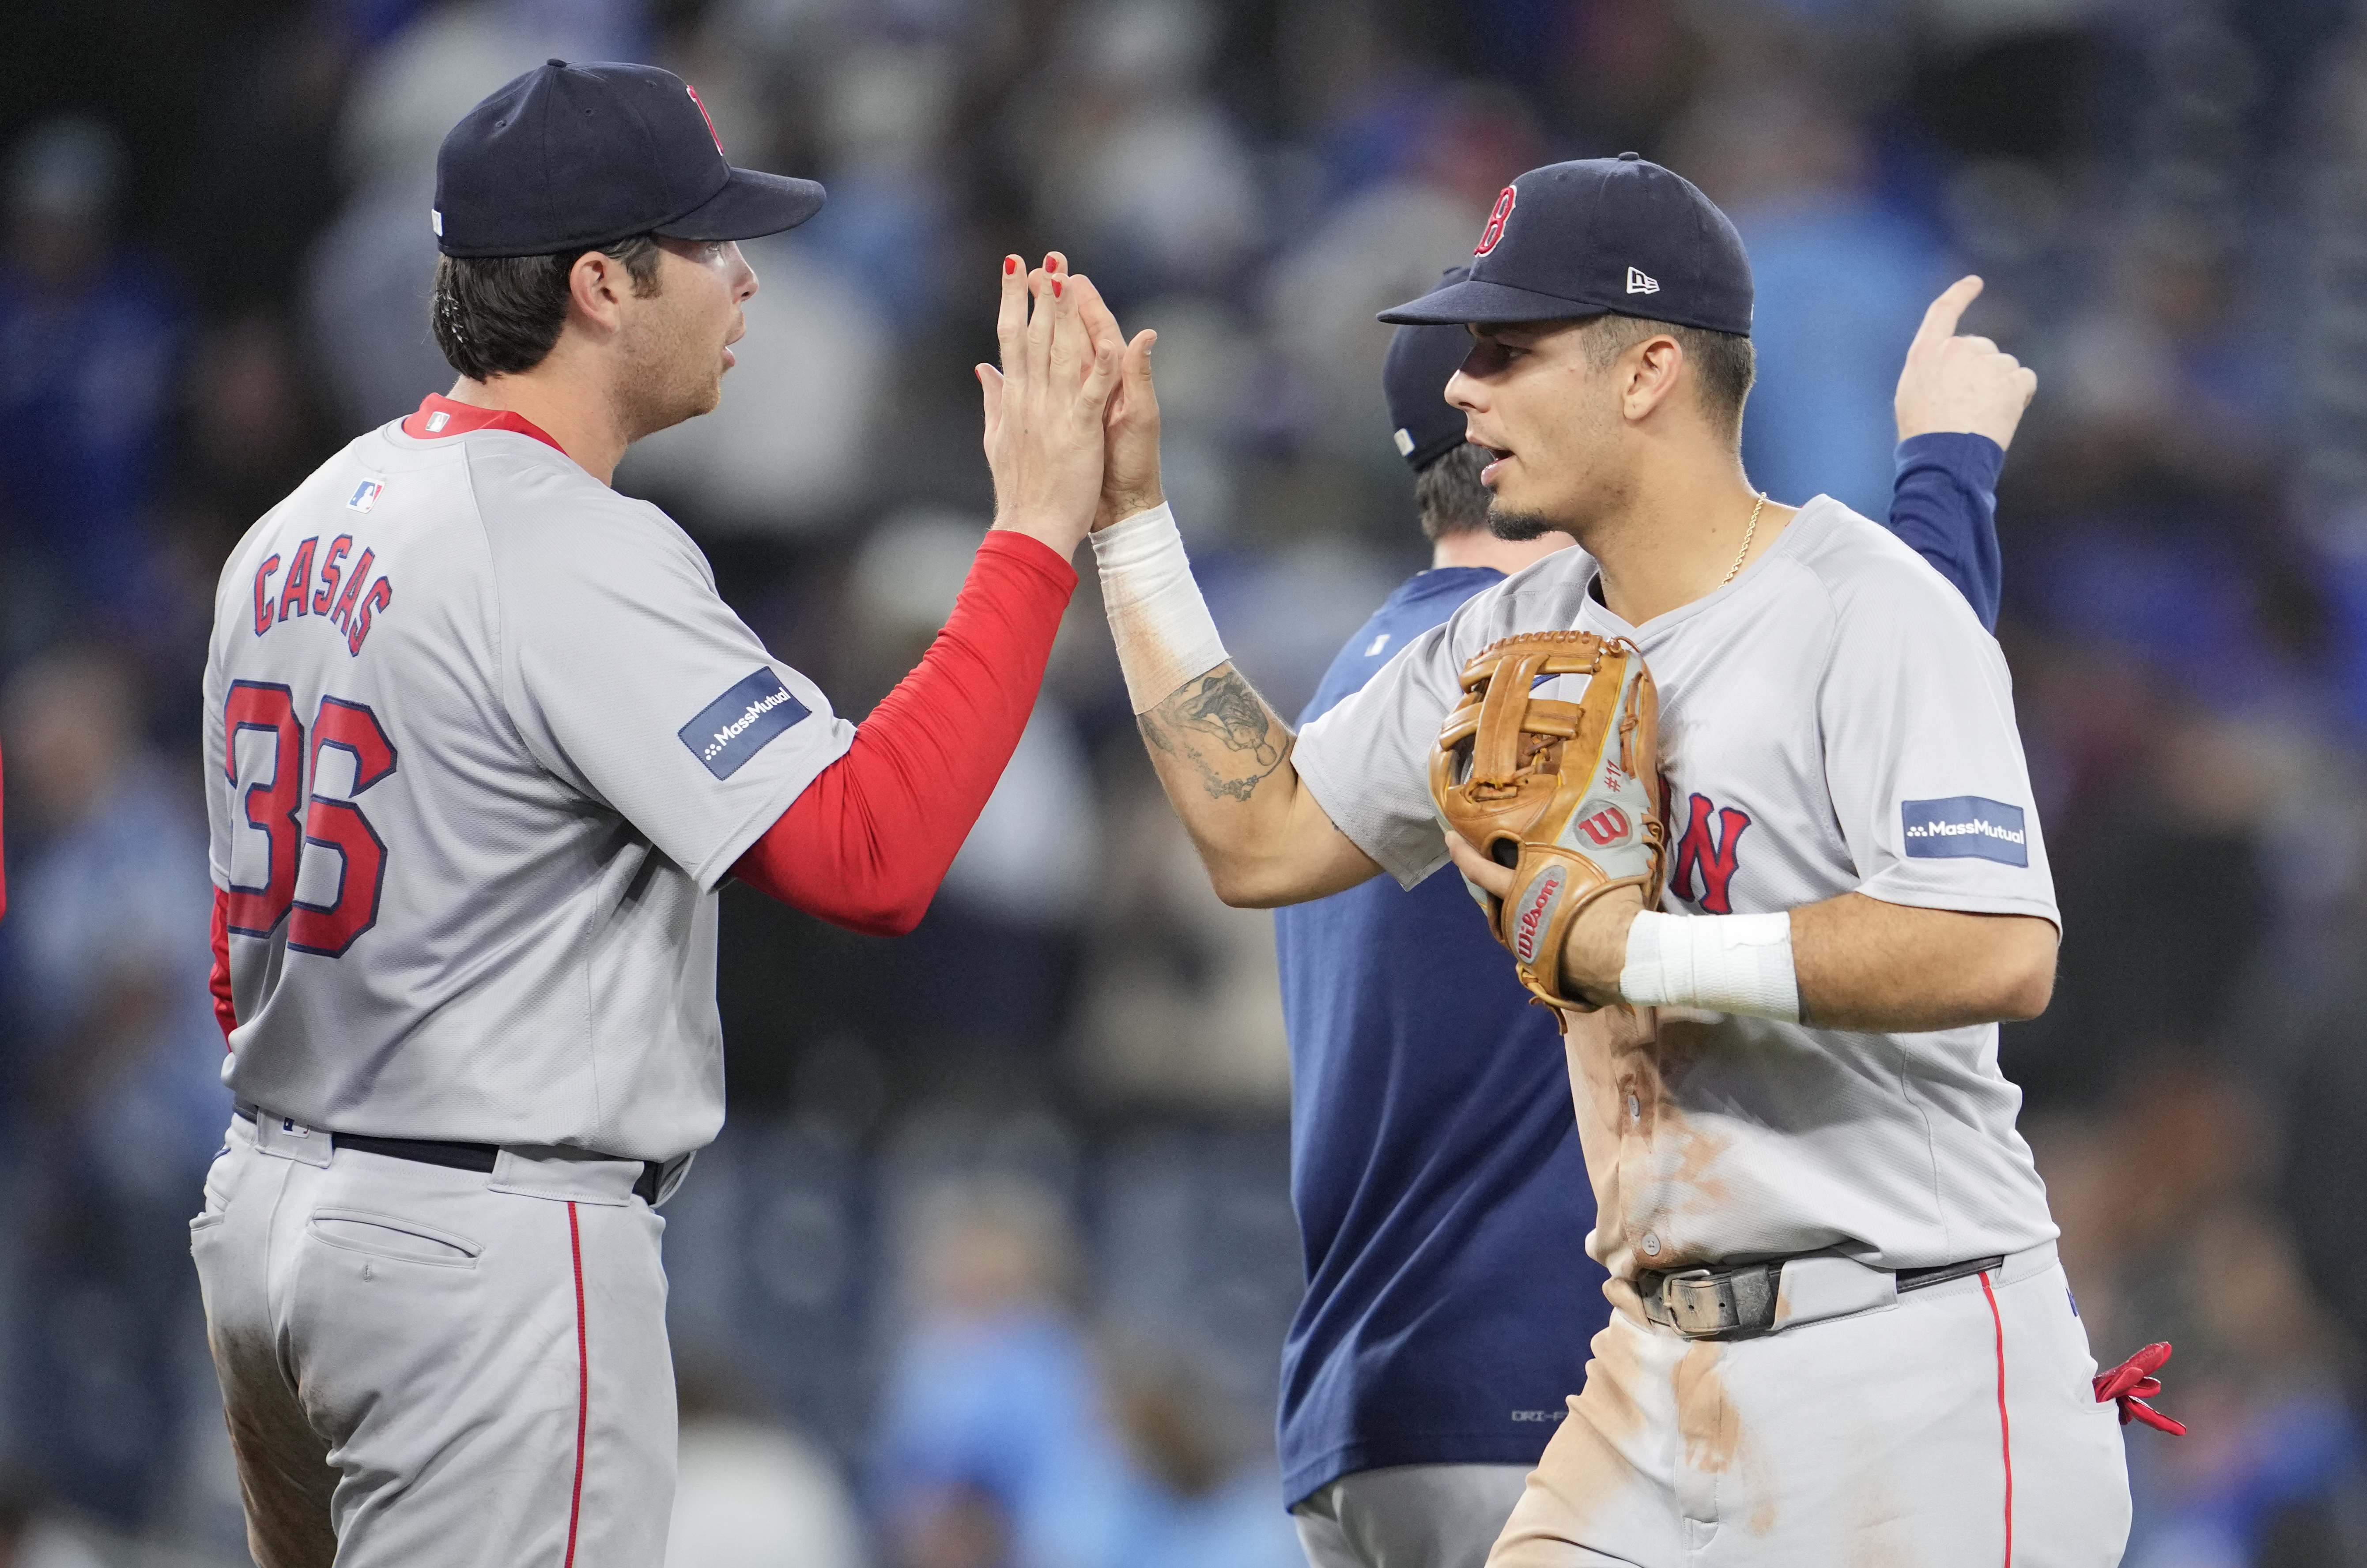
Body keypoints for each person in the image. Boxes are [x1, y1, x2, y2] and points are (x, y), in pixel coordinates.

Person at [1085, 155, 2130, 1565]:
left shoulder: (1862, 610)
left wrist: (1639, 952)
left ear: (1644, 372)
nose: (1461, 390)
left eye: (1506, 351)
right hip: (1648, 1373)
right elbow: (1261, 834)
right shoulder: (1503, 641)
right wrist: (1130, 527)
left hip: (1910, 1361)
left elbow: (1995, 950)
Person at [192, 60, 1140, 1568]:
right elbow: (870, 856)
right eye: (706, 243)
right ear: (598, 286)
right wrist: (1034, 530)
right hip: (480, 1250)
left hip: (272, 1211)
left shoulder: (295, 525)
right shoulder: (562, 542)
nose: (745, 277)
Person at [1276, 265, 2040, 1568]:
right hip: (1538, 1379)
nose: (1487, 383)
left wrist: (1126, 537)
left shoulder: (1361, 695)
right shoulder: (1527, 673)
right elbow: (1885, 725)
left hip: (1365, 1399)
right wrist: (1946, 467)